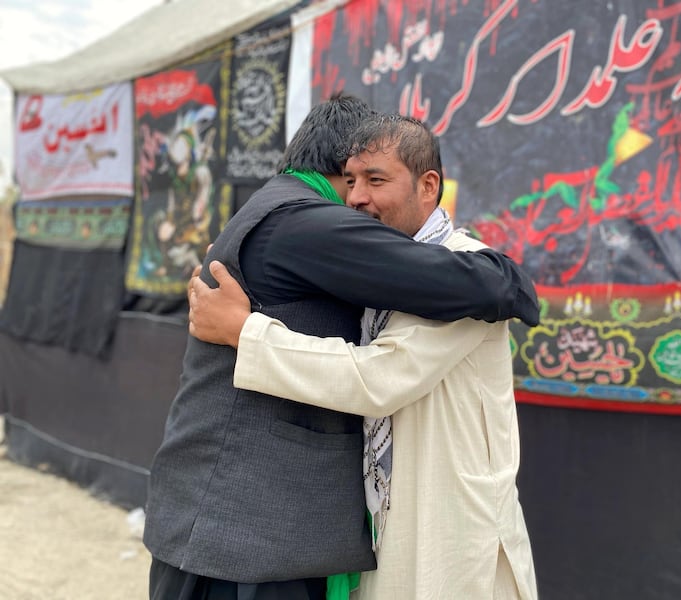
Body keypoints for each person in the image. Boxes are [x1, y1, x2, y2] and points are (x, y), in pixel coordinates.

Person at [144, 95, 540, 600]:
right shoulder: (306, 224)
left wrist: (511, 280)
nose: (356, 199)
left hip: (447, 517)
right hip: (255, 533)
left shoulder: (444, 260)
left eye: (375, 180)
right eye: (351, 182)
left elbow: (379, 378)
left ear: (428, 186)